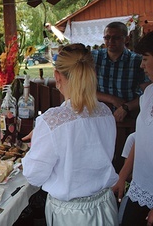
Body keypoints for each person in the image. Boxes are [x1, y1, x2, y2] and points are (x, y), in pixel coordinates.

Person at [22, 43, 119, 226]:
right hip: (105, 206)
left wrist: (36, 146)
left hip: (71, 215)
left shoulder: (52, 121)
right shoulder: (106, 113)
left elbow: (34, 175)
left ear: (57, 76)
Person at [112, 32, 153, 226]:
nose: (141, 65)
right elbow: (141, 139)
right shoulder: (149, 94)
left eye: (145, 59)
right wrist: (122, 176)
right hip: (141, 186)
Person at [91, 21, 149, 122]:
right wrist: (112, 99)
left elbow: (148, 94)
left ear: (126, 39)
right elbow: (84, 90)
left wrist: (127, 107)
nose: (111, 41)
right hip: (100, 117)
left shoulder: (137, 61)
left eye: (116, 37)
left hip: (129, 118)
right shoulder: (94, 58)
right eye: (107, 37)